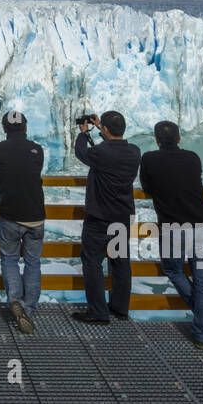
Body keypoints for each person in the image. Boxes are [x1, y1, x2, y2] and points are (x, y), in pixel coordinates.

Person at [140, 121, 203, 347]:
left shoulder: (149, 159)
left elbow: (146, 186)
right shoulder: (193, 157)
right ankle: (202, 332)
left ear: (157, 139)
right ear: (179, 138)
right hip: (201, 225)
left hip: (172, 227)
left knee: (173, 269)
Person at [71, 110, 141, 324]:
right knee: (120, 263)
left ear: (106, 130)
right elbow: (112, 147)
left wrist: (84, 132)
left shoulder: (102, 153)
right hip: (122, 217)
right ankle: (120, 308)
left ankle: (98, 312)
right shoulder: (134, 151)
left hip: (100, 218)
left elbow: (81, 152)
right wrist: (101, 126)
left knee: (92, 262)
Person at [0, 111, 45, 334]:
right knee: (33, 262)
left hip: (11, 213)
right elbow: (36, 171)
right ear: (25, 127)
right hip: (36, 214)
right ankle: (28, 311)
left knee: (10, 258)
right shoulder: (37, 149)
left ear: (4, 129)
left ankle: (15, 301)